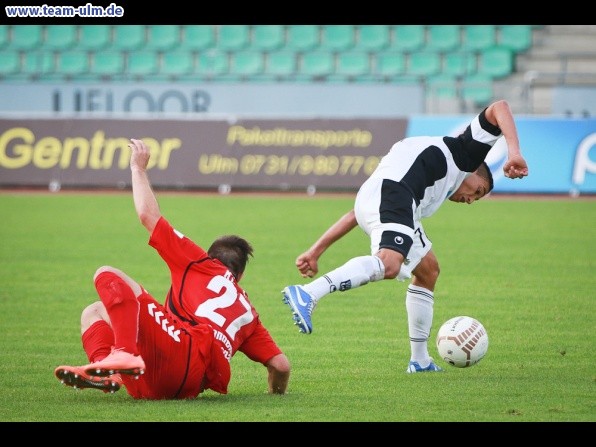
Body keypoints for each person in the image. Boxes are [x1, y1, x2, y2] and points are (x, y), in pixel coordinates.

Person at [282, 99, 528, 373]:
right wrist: (513, 153)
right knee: (389, 264)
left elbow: (357, 213)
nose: (471, 200)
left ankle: (420, 360)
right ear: (473, 172)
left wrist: (316, 250)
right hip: (396, 193)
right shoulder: (464, 154)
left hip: (383, 198)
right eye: (478, 192)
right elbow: (500, 107)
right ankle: (308, 293)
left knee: (428, 270)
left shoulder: (435, 183)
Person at [55, 138, 290, 399]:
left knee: (107, 274)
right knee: (96, 310)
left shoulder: (199, 263)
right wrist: (275, 394)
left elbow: (148, 216)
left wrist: (139, 169)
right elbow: (281, 366)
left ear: (210, 257)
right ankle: (110, 371)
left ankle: (123, 353)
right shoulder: (249, 314)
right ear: (241, 275)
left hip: (180, 350)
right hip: (181, 387)